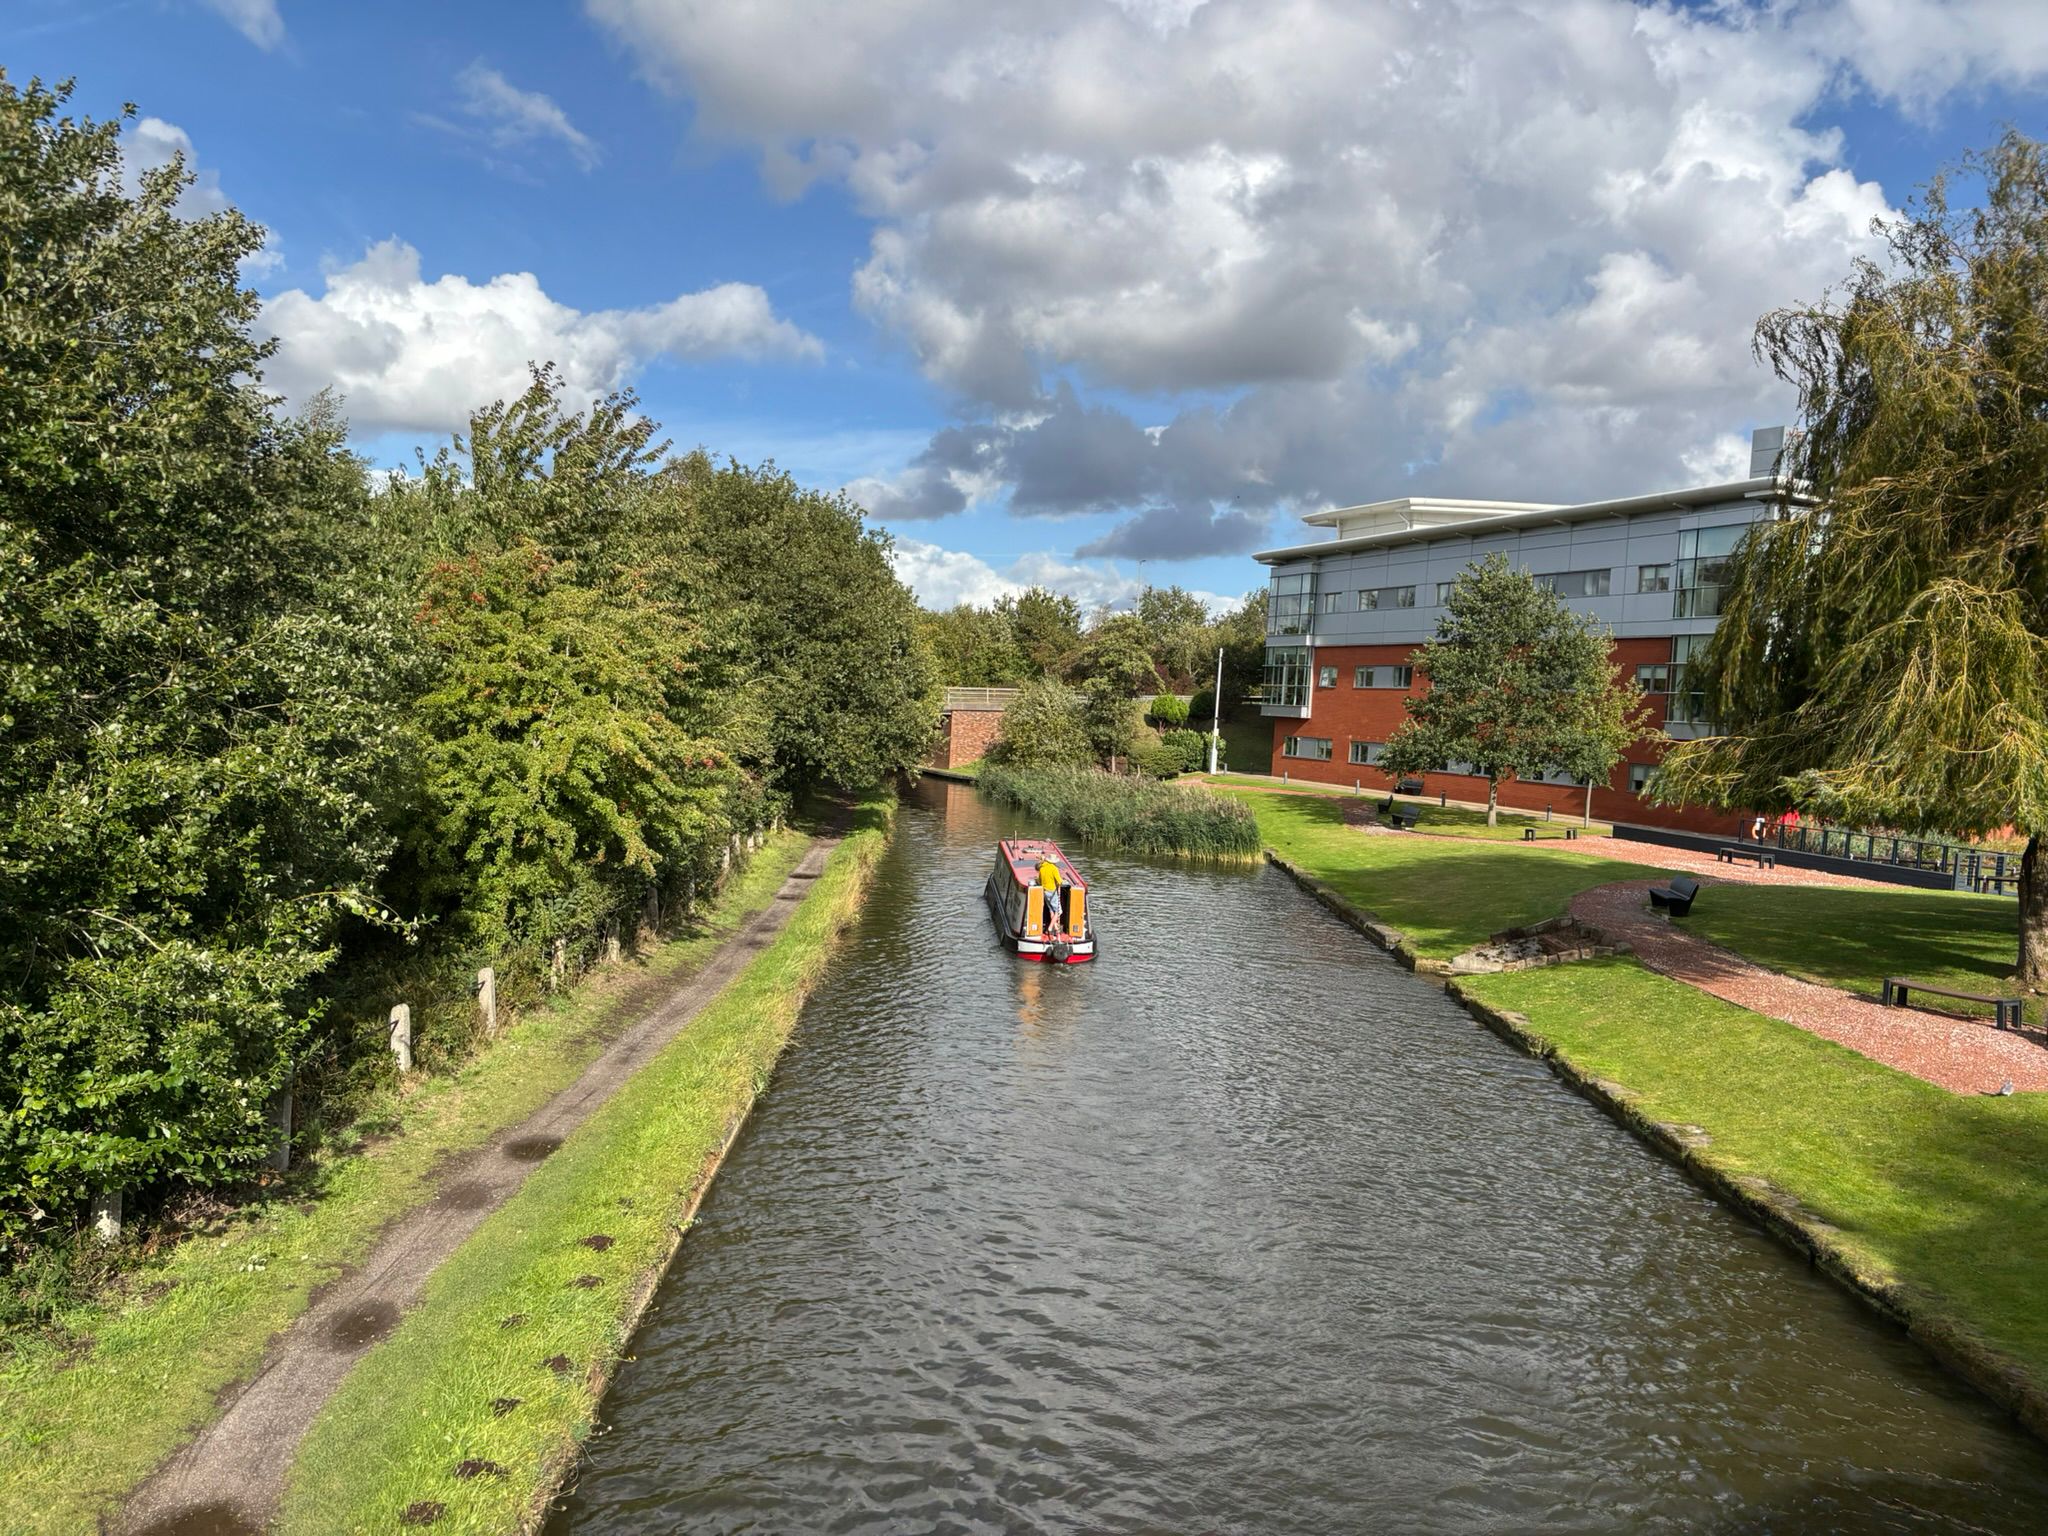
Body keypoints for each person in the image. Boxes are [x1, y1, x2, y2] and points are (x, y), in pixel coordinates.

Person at [1038, 858, 1063, 938]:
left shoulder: (1041, 868)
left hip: (1045, 892)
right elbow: (1059, 881)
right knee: (1058, 911)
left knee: (1051, 910)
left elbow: (1039, 881)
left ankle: (1055, 927)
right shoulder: (1054, 868)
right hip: (1052, 892)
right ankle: (1050, 928)